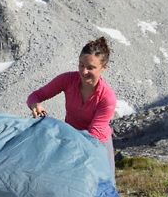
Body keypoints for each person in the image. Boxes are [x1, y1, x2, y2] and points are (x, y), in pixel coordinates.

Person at [27, 37, 117, 178]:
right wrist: (35, 104)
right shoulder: (68, 80)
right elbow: (36, 95)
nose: (84, 71)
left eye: (90, 67)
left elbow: (94, 134)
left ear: (103, 68)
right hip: (71, 137)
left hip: (98, 145)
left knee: (102, 187)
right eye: (81, 65)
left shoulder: (107, 97)